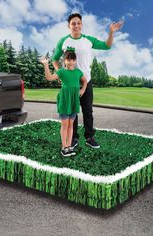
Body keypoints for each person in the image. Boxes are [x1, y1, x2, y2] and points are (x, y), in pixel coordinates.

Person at [52, 13, 124, 149]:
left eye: (78, 23)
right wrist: (60, 74)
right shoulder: (63, 41)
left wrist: (111, 32)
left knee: (87, 110)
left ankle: (89, 137)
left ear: (82, 25)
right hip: (70, 84)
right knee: (72, 110)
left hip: (86, 81)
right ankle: (73, 138)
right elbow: (54, 59)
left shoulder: (88, 40)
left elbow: (107, 46)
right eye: (73, 23)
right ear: (69, 26)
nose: (76, 25)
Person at [40, 49, 87, 157]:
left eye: (73, 59)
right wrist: (46, 65)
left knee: (71, 125)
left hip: (74, 100)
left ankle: (69, 146)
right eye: (68, 59)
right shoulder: (61, 72)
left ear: (75, 61)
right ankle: (64, 147)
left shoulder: (78, 72)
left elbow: (84, 81)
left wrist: (83, 89)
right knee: (65, 125)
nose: (71, 62)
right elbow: (49, 78)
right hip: (65, 100)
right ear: (64, 61)